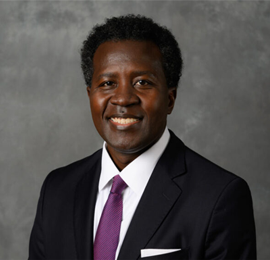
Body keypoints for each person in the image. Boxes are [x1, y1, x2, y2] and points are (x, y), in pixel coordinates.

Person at [28, 15, 256, 260]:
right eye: (107, 83)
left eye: (142, 82)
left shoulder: (219, 197)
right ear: (90, 94)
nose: (123, 98)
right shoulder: (58, 189)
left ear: (170, 99)